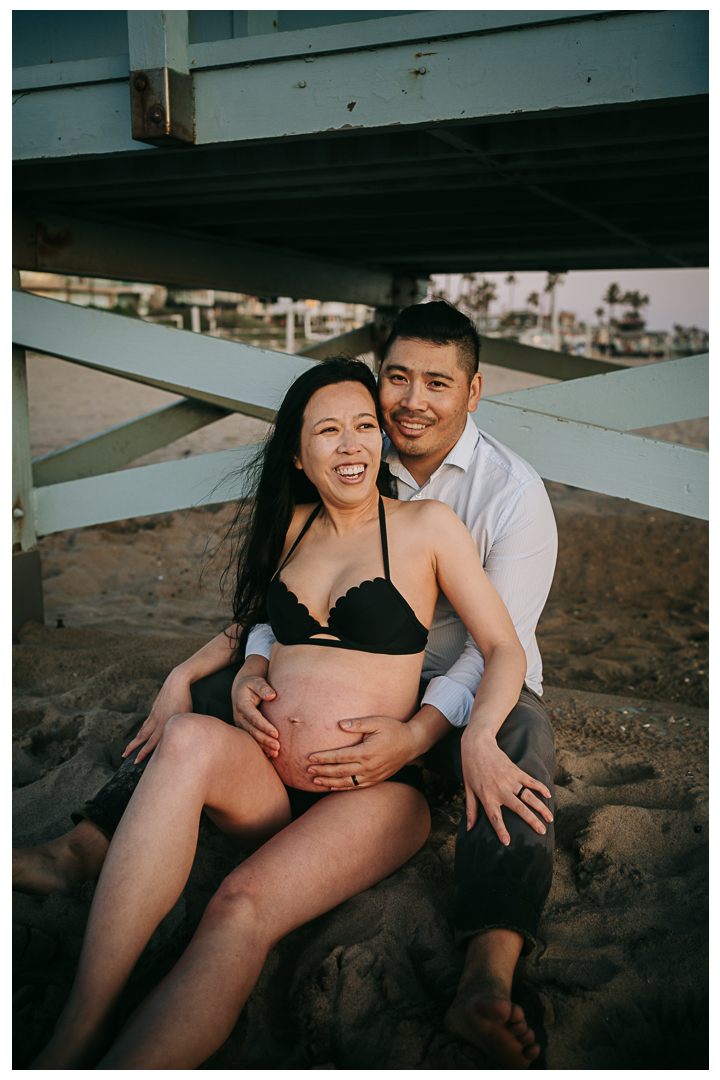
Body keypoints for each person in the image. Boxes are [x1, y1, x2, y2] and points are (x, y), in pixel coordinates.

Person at [15, 301, 558, 1068]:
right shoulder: (304, 515)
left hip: (392, 762)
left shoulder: (479, 506)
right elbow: (262, 618)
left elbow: (501, 645)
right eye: (393, 384)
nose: (397, 411)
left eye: (435, 383)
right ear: (299, 455)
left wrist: (433, 732)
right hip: (269, 770)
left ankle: (489, 966)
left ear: (472, 392)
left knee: (519, 736)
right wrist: (221, 670)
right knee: (189, 728)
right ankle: (79, 1007)